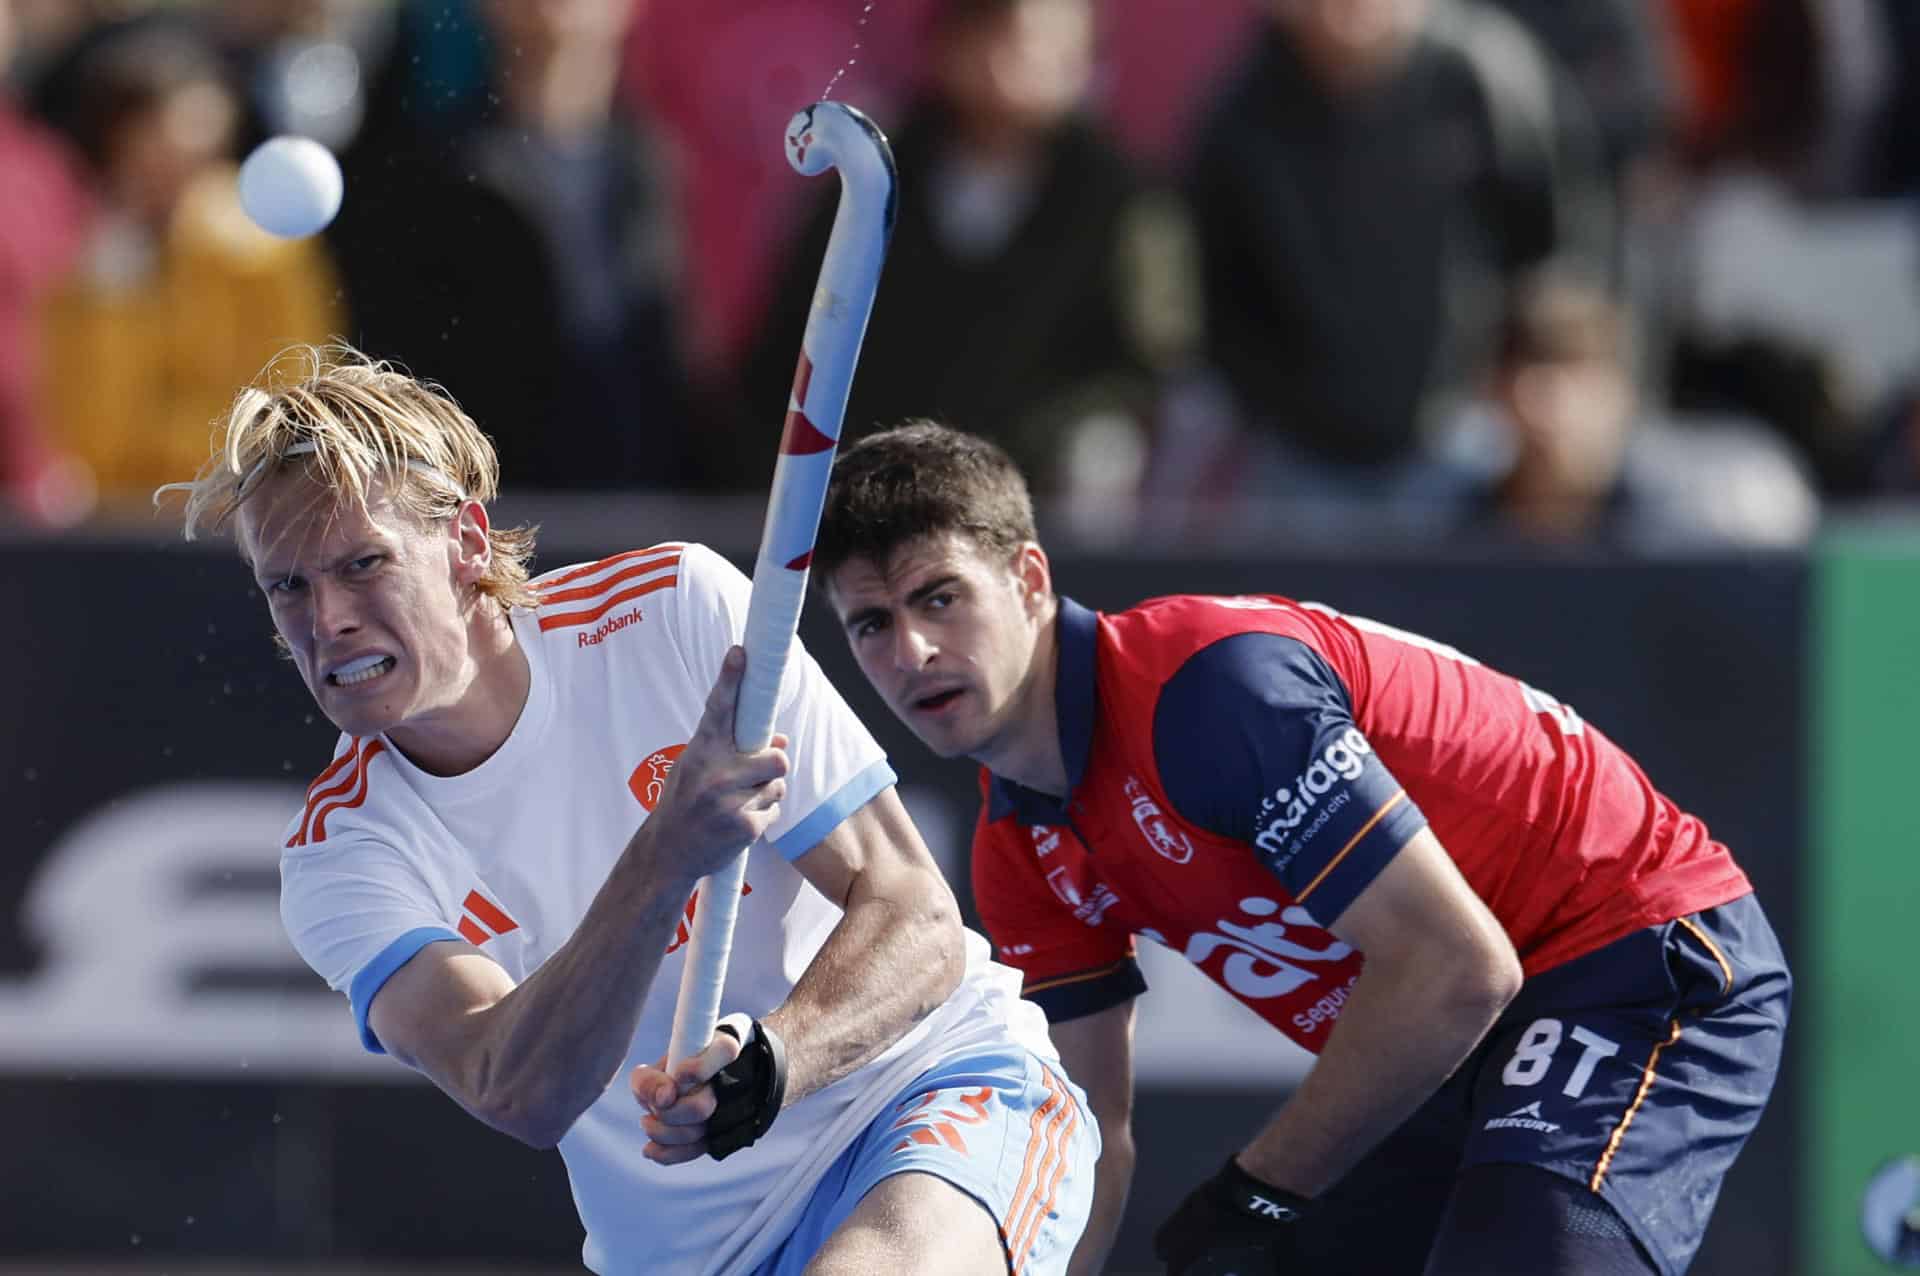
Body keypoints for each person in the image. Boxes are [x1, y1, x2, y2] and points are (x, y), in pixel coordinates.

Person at [158, 345, 1095, 1276]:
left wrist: (770, 1065)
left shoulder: (672, 608)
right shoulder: (342, 852)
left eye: (363, 564)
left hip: (923, 1097)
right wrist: (665, 854)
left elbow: (916, 919)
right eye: (289, 586)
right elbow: (516, 1089)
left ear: (468, 546)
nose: (328, 620)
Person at [814, 420, 1790, 1275]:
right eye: (871, 624)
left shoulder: (1208, 691)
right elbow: (1088, 1138)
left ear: (1029, 579)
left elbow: (1456, 967)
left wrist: (1258, 1187)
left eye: (939, 597)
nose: (911, 653)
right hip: (1461, 1043)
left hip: (1632, 953)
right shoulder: (1015, 848)